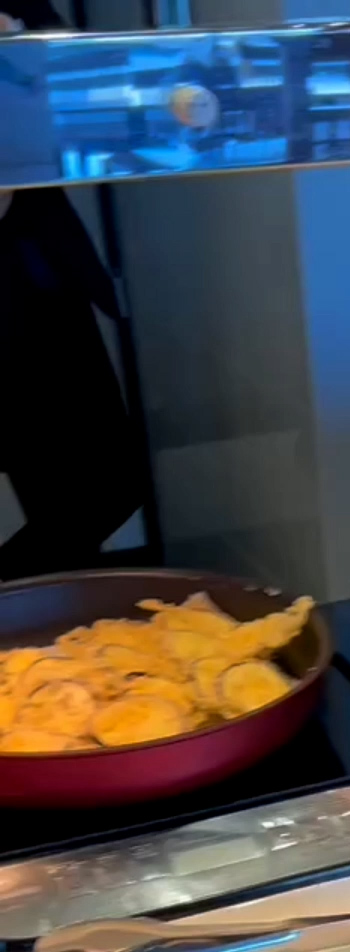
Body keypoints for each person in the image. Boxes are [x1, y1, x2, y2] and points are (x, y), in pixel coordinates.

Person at [0, 0, 143, 578]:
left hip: (38, 275)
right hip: (18, 288)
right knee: (78, 495)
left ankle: (56, 617)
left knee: (105, 486)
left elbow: (88, 89)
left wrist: (19, 52)